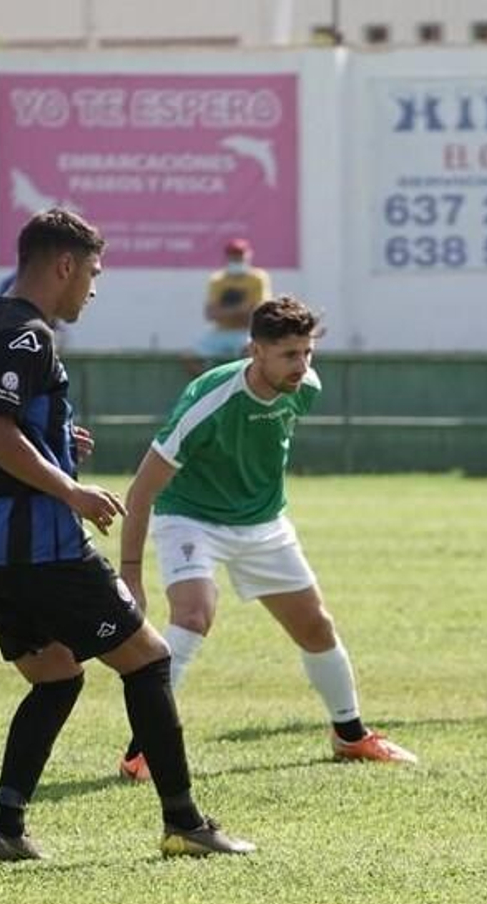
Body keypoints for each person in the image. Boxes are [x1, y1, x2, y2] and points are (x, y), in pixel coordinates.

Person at [0, 209, 252, 860]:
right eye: (93, 272)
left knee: (57, 676)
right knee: (150, 659)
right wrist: (69, 488)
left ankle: (5, 828)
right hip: (35, 550)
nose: (93, 288)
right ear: (64, 265)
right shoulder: (28, 335)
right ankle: (185, 822)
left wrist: (47, 442)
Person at [113, 295, 416, 782]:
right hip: (191, 517)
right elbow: (143, 489)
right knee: (194, 615)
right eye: (289, 355)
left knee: (316, 626)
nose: (302, 366)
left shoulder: (305, 388)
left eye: (307, 352)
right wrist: (131, 573)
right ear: (256, 351)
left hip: (262, 522)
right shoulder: (209, 402)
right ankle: (142, 750)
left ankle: (350, 735)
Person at [190, 238, 271, 375]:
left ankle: (245, 389)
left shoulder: (258, 278)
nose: (237, 260)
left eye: (240, 256)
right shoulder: (217, 279)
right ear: (227, 257)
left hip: (246, 332)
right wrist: (241, 309)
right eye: (234, 256)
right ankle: (210, 387)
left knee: (252, 353)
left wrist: (225, 312)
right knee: (190, 357)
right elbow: (210, 314)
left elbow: (258, 312)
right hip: (221, 332)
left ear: (248, 256)